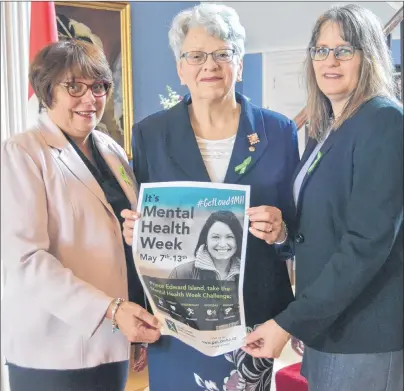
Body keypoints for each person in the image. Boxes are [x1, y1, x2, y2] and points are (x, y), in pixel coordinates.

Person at [121, 3, 300, 390]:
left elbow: (299, 233)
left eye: (223, 53)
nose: (210, 65)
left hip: (254, 321)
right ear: (180, 67)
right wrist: (136, 233)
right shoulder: (150, 135)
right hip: (176, 321)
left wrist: (282, 231)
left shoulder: (278, 132)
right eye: (196, 55)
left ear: (239, 63)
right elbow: (142, 237)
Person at [244, 5, 403, 391]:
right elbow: (320, 226)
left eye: (344, 50)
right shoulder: (324, 127)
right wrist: (283, 232)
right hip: (329, 326)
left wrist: (289, 320)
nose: (329, 61)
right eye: (320, 50)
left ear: (369, 56)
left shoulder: (384, 121)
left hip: (365, 335)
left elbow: (365, 244)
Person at [1, 40, 160, 391]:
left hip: (113, 341)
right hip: (52, 348)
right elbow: (26, 259)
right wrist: (112, 309)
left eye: (99, 86)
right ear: (47, 91)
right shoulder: (22, 153)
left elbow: (129, 242)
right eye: (74, 86)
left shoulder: (111, 149)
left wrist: (135, 326)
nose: (90, 99)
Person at [169, 210, 243, 281]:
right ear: (206, 240)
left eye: (229, 237)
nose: (222, 244)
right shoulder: (181, 273)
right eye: (215, 237)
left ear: (237, 240)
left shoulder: (247, 273)